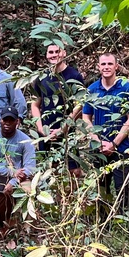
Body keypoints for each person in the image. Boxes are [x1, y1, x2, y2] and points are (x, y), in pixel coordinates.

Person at [82, 53, 129, 215]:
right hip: (98, 149)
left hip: (121, 149)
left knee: (124, 190)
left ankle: (125, 227)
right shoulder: (92, 89)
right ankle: (103, 226)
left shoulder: (126, 88)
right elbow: (86, 116)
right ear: (98, 67)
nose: (106, 67)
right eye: (103, 64)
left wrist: (114, 143)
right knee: (101, 189)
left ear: (116, 67)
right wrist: (96, 140)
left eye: (109, 64)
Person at [30, 43, 84, 175]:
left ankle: (70, 196)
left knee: (74, 171)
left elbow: (80, 104)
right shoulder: (41, 78)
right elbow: (34, 104)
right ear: (46, 55)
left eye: (57, 51)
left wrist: (64, 128)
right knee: (49, 170)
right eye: (51, 52)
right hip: (46, 133)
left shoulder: (74, 76)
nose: (54, 55)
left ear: (64, 53)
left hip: (67, 132)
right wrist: (41, 128)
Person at [0, 105, 36, 224]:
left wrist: (13, 181)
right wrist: (12, 172)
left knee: (28, 196)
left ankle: (28, 224)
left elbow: (30, 167)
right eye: (5, 120)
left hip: (20, 182)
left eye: (11, 120)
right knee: (2, 218)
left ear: (17, 122)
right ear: (0, 120)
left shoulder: (25, 141)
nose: (7, 123)